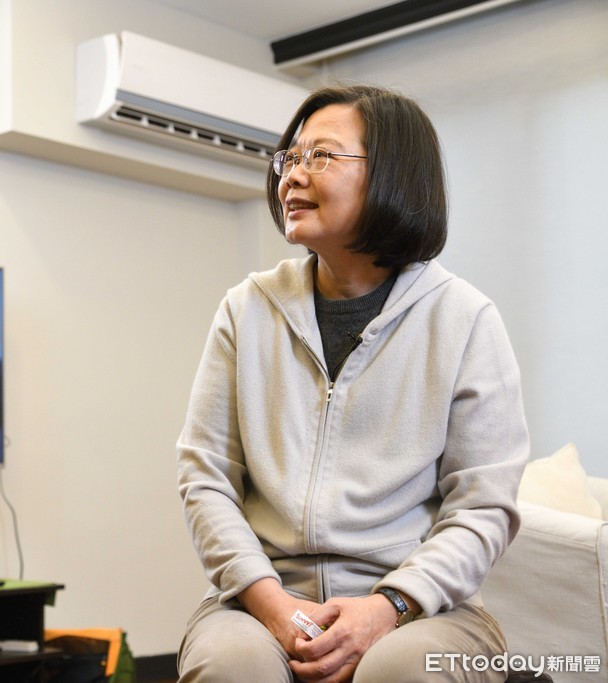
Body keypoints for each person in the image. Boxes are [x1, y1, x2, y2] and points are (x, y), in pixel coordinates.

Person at [175, 83, 529, 682]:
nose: (292, 176)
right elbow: (205, 478)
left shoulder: (464, 319)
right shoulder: (246, 309)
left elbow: (484, 506)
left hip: (421, 606)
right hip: (264, 596)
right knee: (230, 664)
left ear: (391, 176)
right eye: (290, 157)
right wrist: (273, 605)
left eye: (320, 155)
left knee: (404, 668)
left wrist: (390, 606)